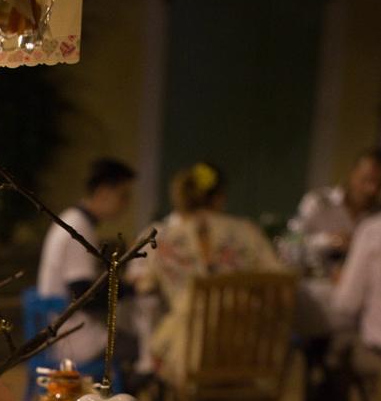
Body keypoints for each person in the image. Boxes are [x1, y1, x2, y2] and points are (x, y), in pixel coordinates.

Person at [134, 161, 283, 388]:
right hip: (249, 351)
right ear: (219, 197)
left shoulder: (162, 238)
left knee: (162, 341)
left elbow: (143, 285)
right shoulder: (246, 231)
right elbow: (280, 279)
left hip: (192, 354)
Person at [36, 157, 136, 368]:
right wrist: (131, 289)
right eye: (123, 196)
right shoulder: (79, 228)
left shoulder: (71, 218)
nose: (126, 204)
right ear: (103, 192)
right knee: (141, 346)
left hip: (58, 327)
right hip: (71, 338)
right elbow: (83, 293)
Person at [288, 149, 381, 273]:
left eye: (379, 184)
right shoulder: (317, 202)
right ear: (352, 173)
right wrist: (328, 241)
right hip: (311, 283)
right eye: (366, 180)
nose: (372, 189)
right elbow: (290, 242)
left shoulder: (377, 217)